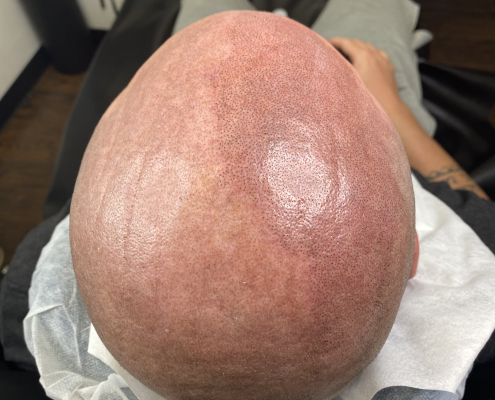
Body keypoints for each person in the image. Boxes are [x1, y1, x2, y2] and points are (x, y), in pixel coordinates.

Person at [3, 1, 495, 400]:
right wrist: (391, 108)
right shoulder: (483, 270)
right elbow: (475, 207)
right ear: (412, 255)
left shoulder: (25, 300)